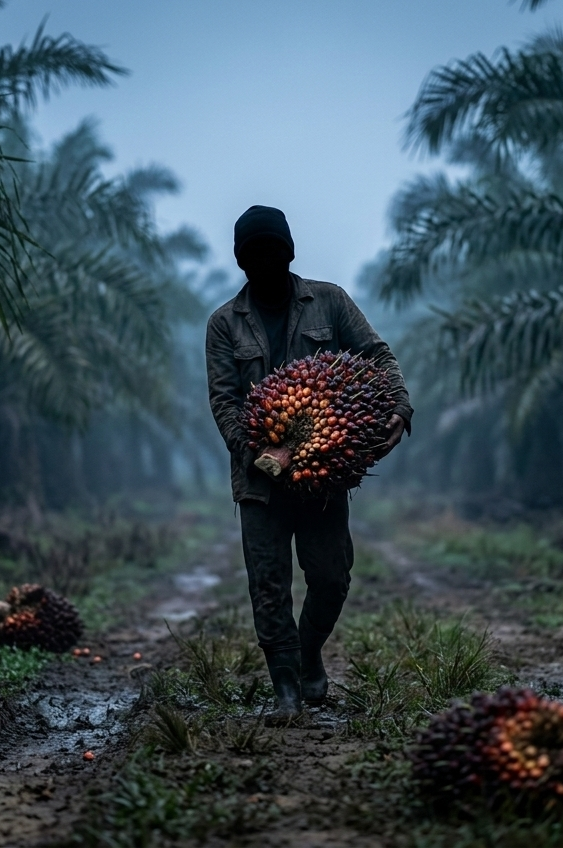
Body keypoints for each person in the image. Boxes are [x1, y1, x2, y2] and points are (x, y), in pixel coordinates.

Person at [205, 205, 413, 718]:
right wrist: (253, 449)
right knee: (268, 583)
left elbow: (378, 357)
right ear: (241, 262)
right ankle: (286, 689)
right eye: (254, 254)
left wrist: (401, 406)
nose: (265, 261)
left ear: (290, 252)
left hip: (324, 476)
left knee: (330, 577)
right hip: (260, 479)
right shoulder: (224, 324)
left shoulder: (329, 302)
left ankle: (308, 650)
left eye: (274, 251)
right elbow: (224, 399)